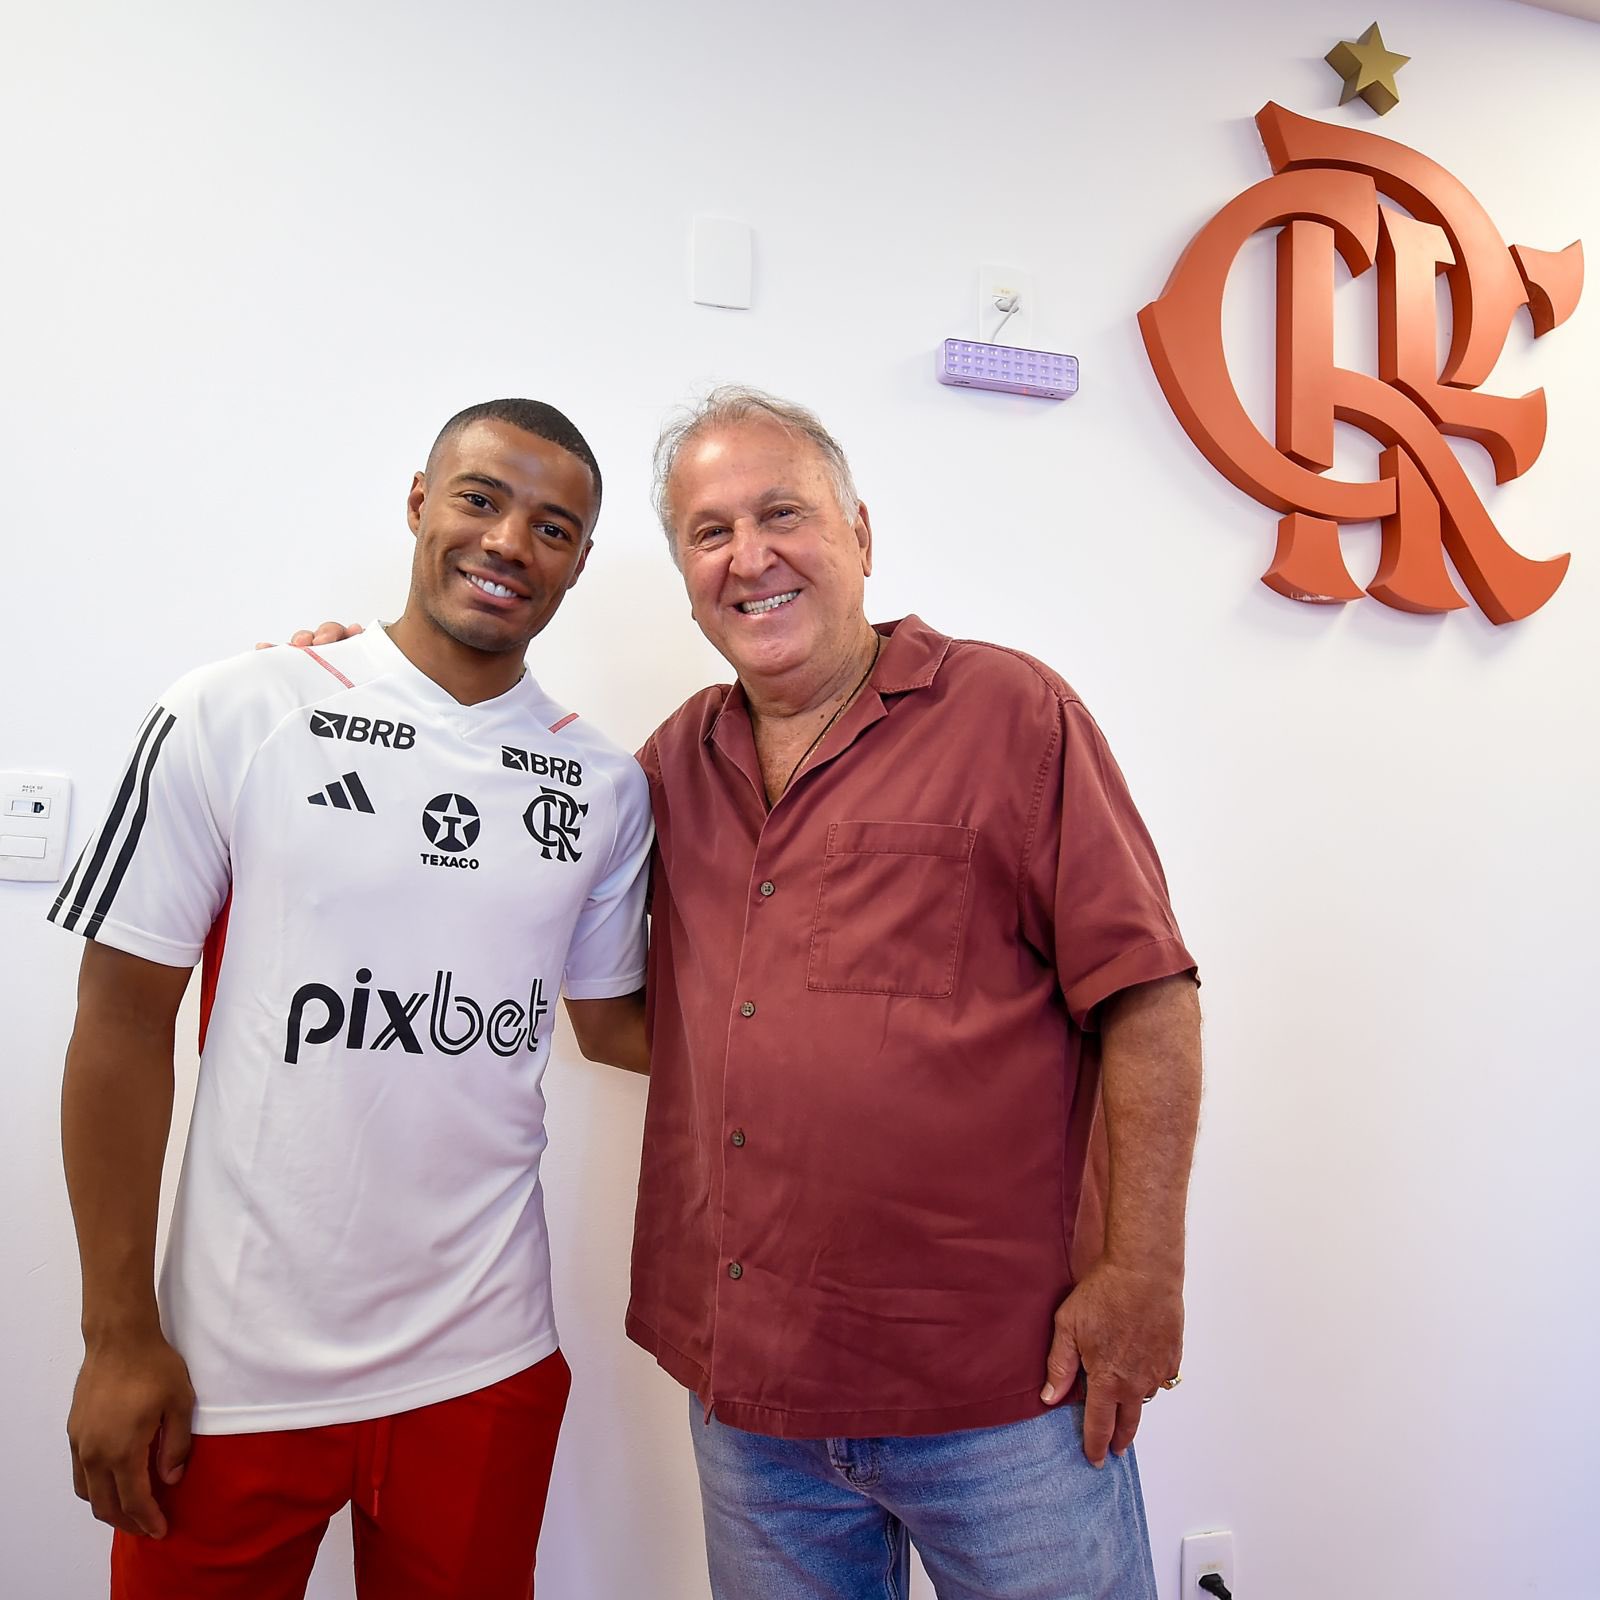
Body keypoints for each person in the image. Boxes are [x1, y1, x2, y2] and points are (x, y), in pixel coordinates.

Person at [48, 398, 651, 1600]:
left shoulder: (602, 782)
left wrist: (865, 1040)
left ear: (579, 562)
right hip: (231, 1365)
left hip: (486, 1354)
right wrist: (116, 1332)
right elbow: (119, 1021)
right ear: (420, 501)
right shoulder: (239, 709)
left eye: (552, 527)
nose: (508, 542)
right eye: (480, 498)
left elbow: (613, 1024)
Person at [627, 388, 1202, 1600]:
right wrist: (366, 697)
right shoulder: (670, 764)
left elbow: (1148, 998)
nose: (749, 556)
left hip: (1005, 1392)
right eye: (709, 531)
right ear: (684, 574)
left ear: (859, 533)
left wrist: (1143, 1275)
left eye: (782, 513)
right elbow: (593, 966)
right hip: (752, 1406)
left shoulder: (1010, 712)